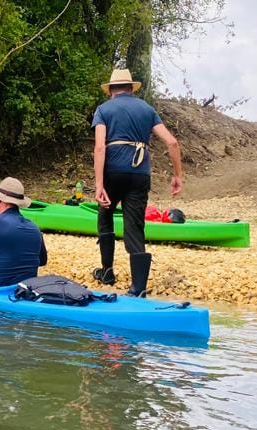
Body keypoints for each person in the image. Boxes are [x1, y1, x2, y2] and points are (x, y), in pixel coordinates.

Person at [91, 68, 183, 296]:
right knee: (134, 225)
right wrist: (177, 175)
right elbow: (172, 143)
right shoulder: (147, 109)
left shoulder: (103, 110)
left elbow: (100, 146)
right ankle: (138, 287)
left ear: (111, 90)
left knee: (105, 215)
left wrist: (99, 184)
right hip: (139, 173)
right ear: (131, 88)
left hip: (113, 171)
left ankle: (107, 271)